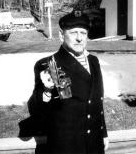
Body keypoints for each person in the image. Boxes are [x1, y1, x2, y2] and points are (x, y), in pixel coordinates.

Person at [27, 10, 109, 154]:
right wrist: (46, 90)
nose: (79, 38)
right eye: (73, 32)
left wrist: (103, 134)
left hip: (94, 143)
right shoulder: (48, 64)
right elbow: (35, 107)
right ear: (61, 35)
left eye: (83, 33)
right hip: (67, 146)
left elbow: (97, 102)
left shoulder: (94, 61)